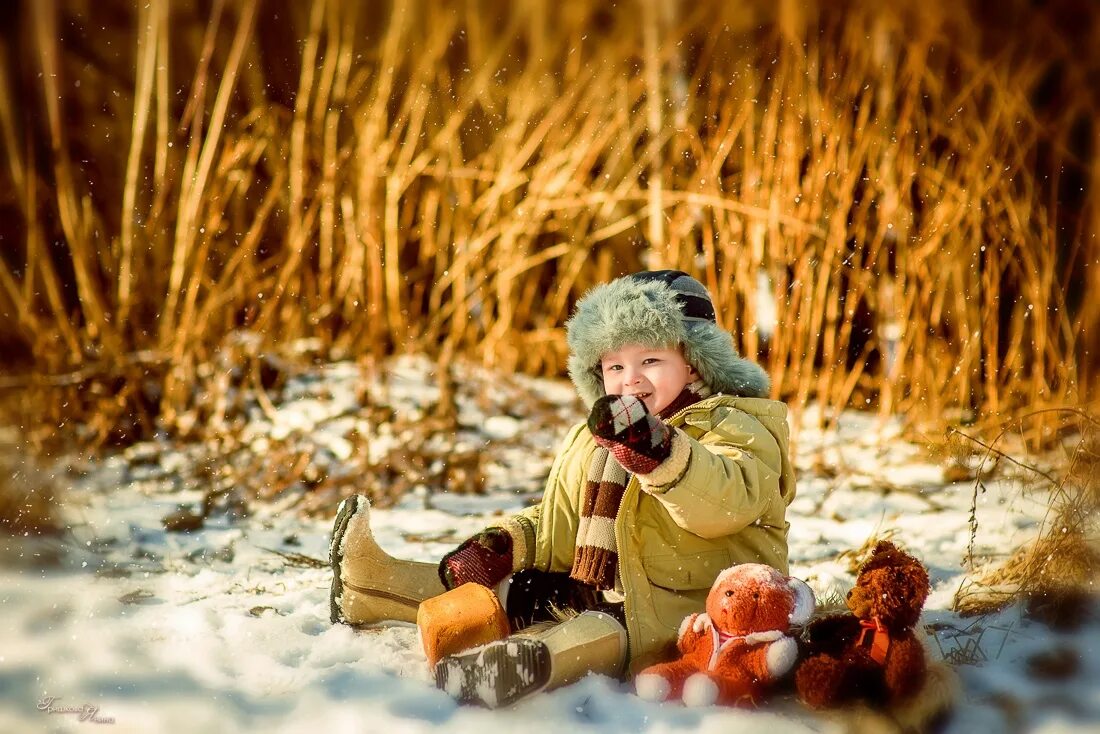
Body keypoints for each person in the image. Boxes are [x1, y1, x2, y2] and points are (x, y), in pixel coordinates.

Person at [329, 270, 796, 708]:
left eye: (649, 360)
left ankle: (518, 666)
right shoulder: (597, 439)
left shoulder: (736, 425)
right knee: (493, 591)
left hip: (684, 611)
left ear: (694, 365)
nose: (630, 378)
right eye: (614, 366)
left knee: (595, 632)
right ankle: (369, 586)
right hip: (594, 586)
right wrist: (508, 543)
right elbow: (562, 522)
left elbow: (724, 501)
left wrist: (660, 453)